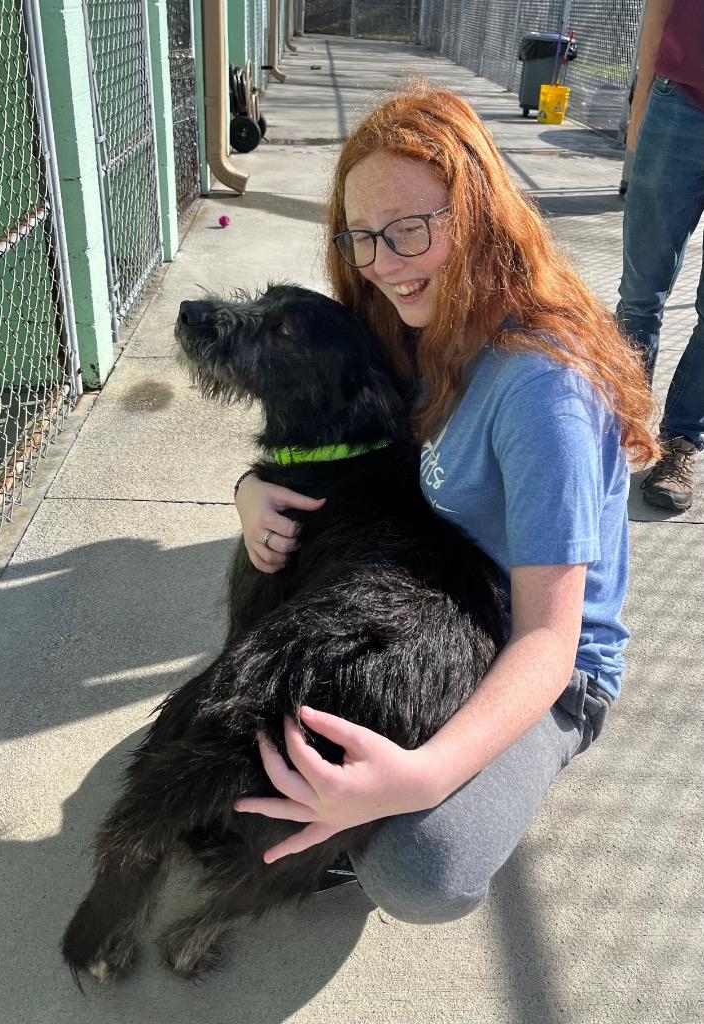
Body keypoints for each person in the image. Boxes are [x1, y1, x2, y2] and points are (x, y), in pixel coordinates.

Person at [232, 87, 657, 924]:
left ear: (478, 213)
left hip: (543, 659)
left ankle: (440, 789)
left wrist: (422, 776)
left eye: (409, 228)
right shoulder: (409, 320)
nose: (383, 261)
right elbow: (324, 447)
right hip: (434, 599)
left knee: (421, 869)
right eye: (361, 236)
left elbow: (549, 638)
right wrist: (249, 491)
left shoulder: (540, 388)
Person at [616, 0, 704, 512]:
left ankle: (681, 441)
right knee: (640, 293)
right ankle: (620, 428)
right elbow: (660, 8)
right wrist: (642, 107)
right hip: (679, 106)